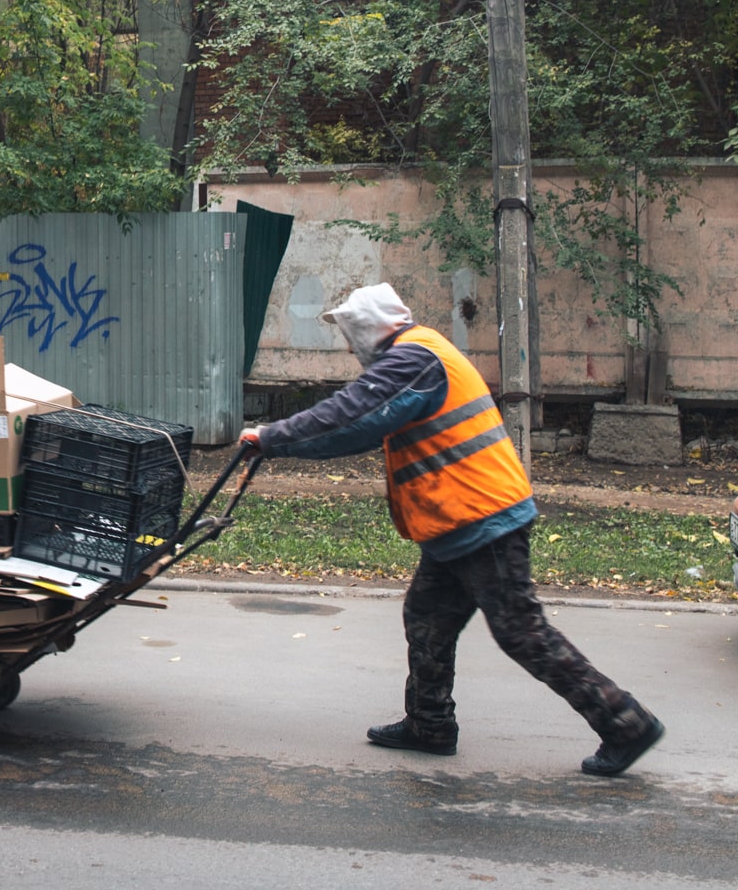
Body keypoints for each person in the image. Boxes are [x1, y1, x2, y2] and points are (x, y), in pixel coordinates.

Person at [239, 282, 664, 776]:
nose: (350, 348)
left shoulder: (413, 360)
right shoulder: (419, 353)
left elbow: (352, 416)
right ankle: (430, 723)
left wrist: (272, 436)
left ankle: (624, 721)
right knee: (427, 619)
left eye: (351, 336)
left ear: (368, 331)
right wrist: (278, 443)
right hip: (457, 524)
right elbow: (358, 423)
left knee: (522, 632)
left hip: (484, 519)